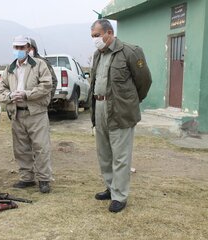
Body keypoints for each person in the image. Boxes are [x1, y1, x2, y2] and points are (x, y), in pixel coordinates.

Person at [89, 19, 152, 212]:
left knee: (120, 156)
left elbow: (144, 81)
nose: (95, 40)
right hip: (100, 107)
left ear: (109, 32)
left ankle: (120, 196)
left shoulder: (130, 52)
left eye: (97, 36)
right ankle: (110, 188)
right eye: (92, 36)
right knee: (105, 155)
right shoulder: (98, 55)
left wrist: (130, 102)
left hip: (120, 111)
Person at [0, 35, 53, 193]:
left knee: (41, 146)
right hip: (17, 113)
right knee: (21, 148)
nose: (19, 50)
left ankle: (44, 179)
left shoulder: (40, 65)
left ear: (28, 48)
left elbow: (46, 85)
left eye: (22, 47)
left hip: (36, 113)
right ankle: (26, 178)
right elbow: (1, 90)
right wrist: (9, 96)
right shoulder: (10, 68)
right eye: (16, 47)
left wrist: (27, 94)